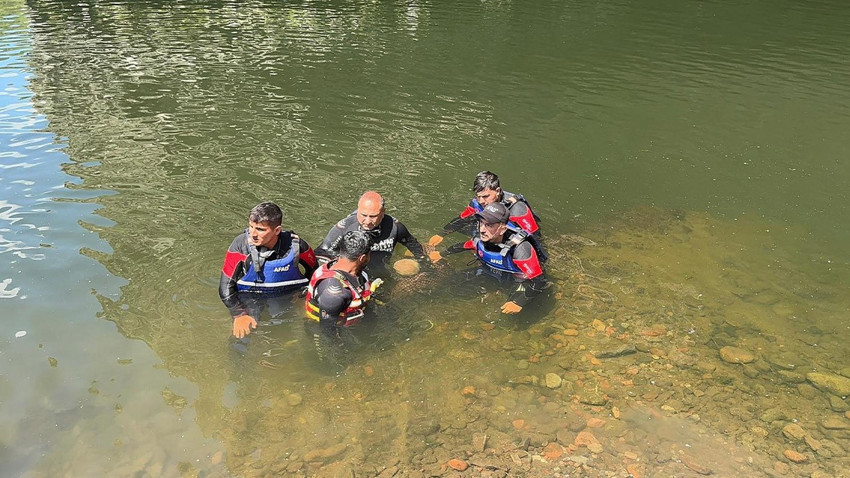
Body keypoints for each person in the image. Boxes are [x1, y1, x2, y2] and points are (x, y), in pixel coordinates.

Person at [219, 202, 318, 339]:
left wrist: (304, 297)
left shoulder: (297, 246)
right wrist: (239, 314)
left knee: (288, 337)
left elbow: (315, 273)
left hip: (286, 298)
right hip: (250, 299)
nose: (253, 234)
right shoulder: (240, 245)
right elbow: (225, 288)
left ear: (277, 230)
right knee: (240, 339)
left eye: (260, 229)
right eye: (251, 226)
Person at [457, 202, 549, 314]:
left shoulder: (520, 250)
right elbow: (464, 245)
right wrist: (441, 253)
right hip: (494, 272)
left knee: (505, 317)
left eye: (489, 225)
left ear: (502, 229)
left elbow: (540, 281)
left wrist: (518, 302)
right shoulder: (483, 237)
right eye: (481, 223)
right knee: (456, 286)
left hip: (520, 281)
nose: (482, 229)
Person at [315, 191, 431, 272]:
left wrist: (425, 264)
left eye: (373, 216)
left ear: (383, 212)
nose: (367, 221)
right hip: (350, 273)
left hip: (381, 271)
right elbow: (321, 253)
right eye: (363, 215)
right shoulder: (346, 226)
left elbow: (414, 245)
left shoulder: (395, 227)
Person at [305, 230, 381, 341]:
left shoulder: (358, 272)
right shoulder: (333, 292)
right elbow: (326, 332)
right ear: (362, 258)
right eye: (369, 255)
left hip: (355, 324)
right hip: (335, 333)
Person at [432, 170, 541, 245]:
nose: (481, 201)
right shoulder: (477, 203)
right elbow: (462, 219)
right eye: (478, 196)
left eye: (485, 196)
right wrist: (442, 234)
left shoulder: (517, 209)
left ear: (497, 191)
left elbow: (535, 237)